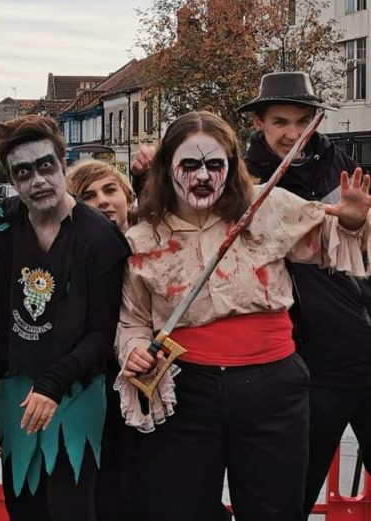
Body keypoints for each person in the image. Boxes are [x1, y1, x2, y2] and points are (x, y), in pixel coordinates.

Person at [115, 110, 371, 521]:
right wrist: (132, 350)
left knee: (274, 511)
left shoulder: (267, 207)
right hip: (187, 391)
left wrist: (355, 222)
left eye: (214, 164)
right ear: (167, 168)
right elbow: (132, 320)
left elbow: (331, 245)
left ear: (232, 165)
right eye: (189, 165)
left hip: (274, 389)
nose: (202, 177)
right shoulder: (143, 238)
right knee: (182, 510)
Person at [0, 115, 130, 521]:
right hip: (16, 395)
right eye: (22, 172)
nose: (37, 180)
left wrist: (53, 384)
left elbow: (101, 332)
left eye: (45, 166)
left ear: (62, 164)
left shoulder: (99, 236)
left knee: (71, 507)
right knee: (25, 508)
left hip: (76, 392)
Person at [236, 70, 371, 518]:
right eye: (280, 122)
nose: (293, 133)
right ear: (259, 123)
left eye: (302, 121)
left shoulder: (344, 166)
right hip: (309, 370)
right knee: (289, 499)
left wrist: (358, 224)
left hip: (366, 356)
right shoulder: (244, 184)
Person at [65, 159, 144, 521]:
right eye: (88, 196)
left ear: (128, 196)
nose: (103, 201)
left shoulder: (154, 246)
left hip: (149, 381)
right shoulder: (72, 256)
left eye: (110, 190)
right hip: (95, 386)